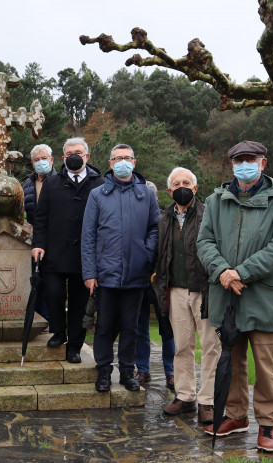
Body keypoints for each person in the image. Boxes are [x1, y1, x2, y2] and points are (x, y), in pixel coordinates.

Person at [198, 141, 273, 452]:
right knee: (231, 360)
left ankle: (268, 424)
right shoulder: (216, 199)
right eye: (239, 160)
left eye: (250, 159)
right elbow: (205, 241)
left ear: (262, 163)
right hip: (226, 295)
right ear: (231, 165)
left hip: (264, 297)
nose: (244, 164)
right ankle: (236, 416)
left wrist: (240, 272)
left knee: (266, 365)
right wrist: (223, 272)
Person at [81, 144, 159, 391]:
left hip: (137, 274)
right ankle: (103, 371)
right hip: (105, 274)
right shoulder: (98, 194)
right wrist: (90, 273)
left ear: (134, 162)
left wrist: (145, 254)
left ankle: (128, 372)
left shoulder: (147, 195)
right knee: (104, 326)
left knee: (131, 327)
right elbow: (88, 236)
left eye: (127, 158)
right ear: (111, 162)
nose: (123, 162)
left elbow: (155, 228)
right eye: (118, 158)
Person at [153, 168, 221, 424]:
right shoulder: (163, 218)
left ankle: (208, 401)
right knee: (182, 346)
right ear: (169, 191)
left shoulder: (208, 215)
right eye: (176, 183)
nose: (182, 187)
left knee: (211, 346)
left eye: (186, 182)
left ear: (196, 187)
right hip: (175, 290)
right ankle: (185, 396)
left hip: (205, 289)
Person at [31, 137, 103, 363]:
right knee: (53, 294)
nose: (74, 156)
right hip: (54, 252)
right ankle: (59, 331)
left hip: (85, 256)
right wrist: (38, 244)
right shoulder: (51, 183)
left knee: (80, 305)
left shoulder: (99, 184)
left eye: (79, 152)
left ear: (87, 156)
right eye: (70, 153)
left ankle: (74, 346)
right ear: (63, 158)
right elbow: (40, 218)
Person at [136, 180, 176, 391]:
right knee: (139, 326)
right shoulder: (134, 219)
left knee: (166, 327)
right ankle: (143, 369)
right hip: (139, 279)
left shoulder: (167, 219)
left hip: (162, 281)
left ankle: (171, 372)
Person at [22, 144, 56, 322]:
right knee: (36, 284)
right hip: (34, 242)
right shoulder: (27, 184)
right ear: (32, 163)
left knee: (53, 287)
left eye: (44, 158)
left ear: (51, 160)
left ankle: (51, 323)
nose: (41, 162)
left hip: (55, 242)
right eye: (37, 160)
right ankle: (35, 321)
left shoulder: (61, 180)